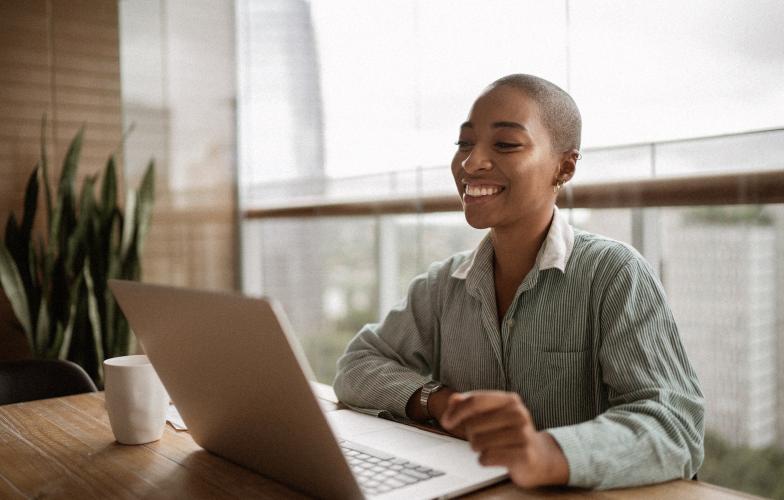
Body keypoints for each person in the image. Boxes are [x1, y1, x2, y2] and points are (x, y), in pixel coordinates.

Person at [333, 74, 704, 490]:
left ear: (564, 167)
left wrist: (547, 453)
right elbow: (356, 367)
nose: (471, 163)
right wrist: (440, 401)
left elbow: (675, 424)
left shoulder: (614, 274)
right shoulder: (443, 284)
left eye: (505, 144)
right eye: (465, 144)